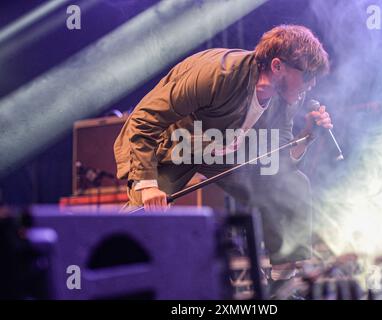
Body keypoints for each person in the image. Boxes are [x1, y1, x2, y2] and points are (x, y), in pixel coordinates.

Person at [114, 24, 332, 290]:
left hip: (224, 148)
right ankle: (118, 281)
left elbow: (279, 166)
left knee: (292, 186)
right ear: (277, 66)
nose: (312, 84)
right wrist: (146, 185)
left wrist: (308, 135)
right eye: (308, 75)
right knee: (145, 214)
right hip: (176, 143)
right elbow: (144, 119)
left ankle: (283, 289)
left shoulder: (285, 99)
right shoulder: (218, 73)